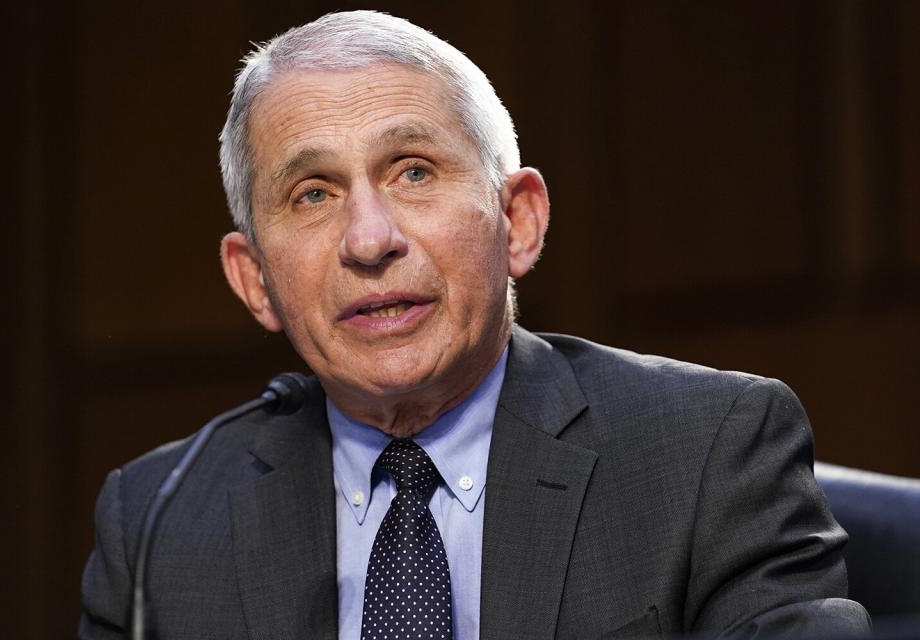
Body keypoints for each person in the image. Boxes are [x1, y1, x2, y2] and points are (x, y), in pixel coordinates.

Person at [79, 10, 871, 640]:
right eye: (313, 194)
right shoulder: (159, 520)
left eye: (413, 171)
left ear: (517, 221)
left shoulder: (707, 452)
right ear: (255, 282)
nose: (369, 240)